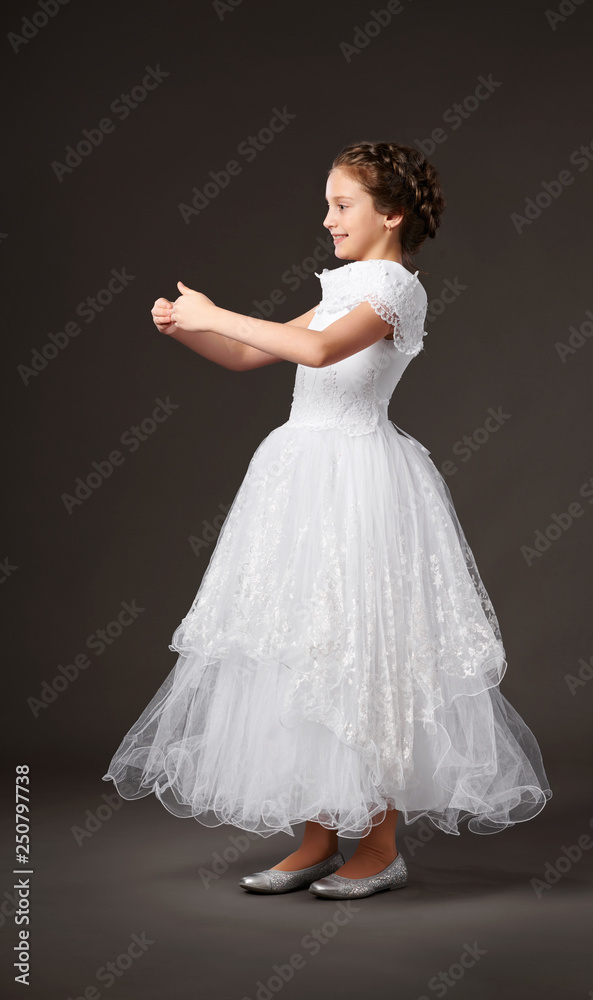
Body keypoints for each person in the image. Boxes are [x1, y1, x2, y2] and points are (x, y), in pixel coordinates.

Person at [102, 140, 552, 900]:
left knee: (361, 646)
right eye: (328, 203)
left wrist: (219, 310)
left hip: (359, 483)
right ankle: (316, 836)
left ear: (392, 212)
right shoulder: (345, 285)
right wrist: (193, 329)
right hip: (299, 482)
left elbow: (313, 352)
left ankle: (378, 845)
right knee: (300, 644)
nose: (327, 217)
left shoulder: (396, 290)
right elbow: (255, 358)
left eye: (341, 204)